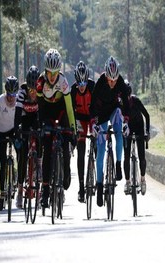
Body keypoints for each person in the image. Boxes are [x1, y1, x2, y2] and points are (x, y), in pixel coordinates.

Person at [36, 49, 76, 208]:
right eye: (49, 73)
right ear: (45, 70)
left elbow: (69, 107)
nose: (52, 77)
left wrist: (72, 128)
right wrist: (40, 126)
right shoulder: (40, 81)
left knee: (65, 145)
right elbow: (39, 106)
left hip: (61, 111)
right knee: (47, 150)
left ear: (59, 71)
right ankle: (45, 191)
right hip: (46, 112)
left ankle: (65, 174)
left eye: (55, 73)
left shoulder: (63, 82)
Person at [90, 56, 130, 207]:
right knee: (100, 152)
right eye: (110, 80)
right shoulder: (100, 82)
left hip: (114, 110)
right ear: (106, 76)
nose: (113, 83)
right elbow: (92, 105)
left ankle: (118, 164)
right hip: (101, 114)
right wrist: (93, 122)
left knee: (119, 130)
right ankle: (99, 186)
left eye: (115, 80)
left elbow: (126, 103)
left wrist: (126, 121)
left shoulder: (120, 82)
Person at [14, 65, 41, 209]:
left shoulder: (41, 91)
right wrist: (17, 130)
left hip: (36, 117)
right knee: (23, 155)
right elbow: (18, 112)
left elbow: (43, 112)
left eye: (35, 91)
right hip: (24, 118)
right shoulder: (22, 91)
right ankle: (19, 190)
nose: (33, 94)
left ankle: (40, 165)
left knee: (42, 135)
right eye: (31, 90)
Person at [0, 76, 19, 211]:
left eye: (13, 94)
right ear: (6, 92)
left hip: (13, 130)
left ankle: (19, 180)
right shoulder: (0, 101)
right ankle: (2, 193)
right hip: (1, 131)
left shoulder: (19, 100)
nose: (11, 98)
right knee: (2, 163)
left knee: (20, 151)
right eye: (9, 94)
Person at [71, 61, 95, 203]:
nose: (81, 87)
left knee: (98, 142)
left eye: (84, 84)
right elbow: (71, 112)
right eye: (79, 84)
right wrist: (74, 130)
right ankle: (81, 187)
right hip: (80, 119)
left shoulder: (92, 86)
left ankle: (96, 176)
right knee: (81, 151)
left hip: (92, 118)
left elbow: (99, 104)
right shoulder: (73, 90)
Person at [123, 79, 150, 196]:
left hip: (139, 126)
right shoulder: (120, 103)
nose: (127, 99)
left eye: (128, 96)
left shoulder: (136, 101)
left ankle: (143, 179)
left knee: (141, 155)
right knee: (126, 156)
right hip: (128, 128)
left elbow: (147, 115)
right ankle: (128, 182)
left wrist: (147, 132)